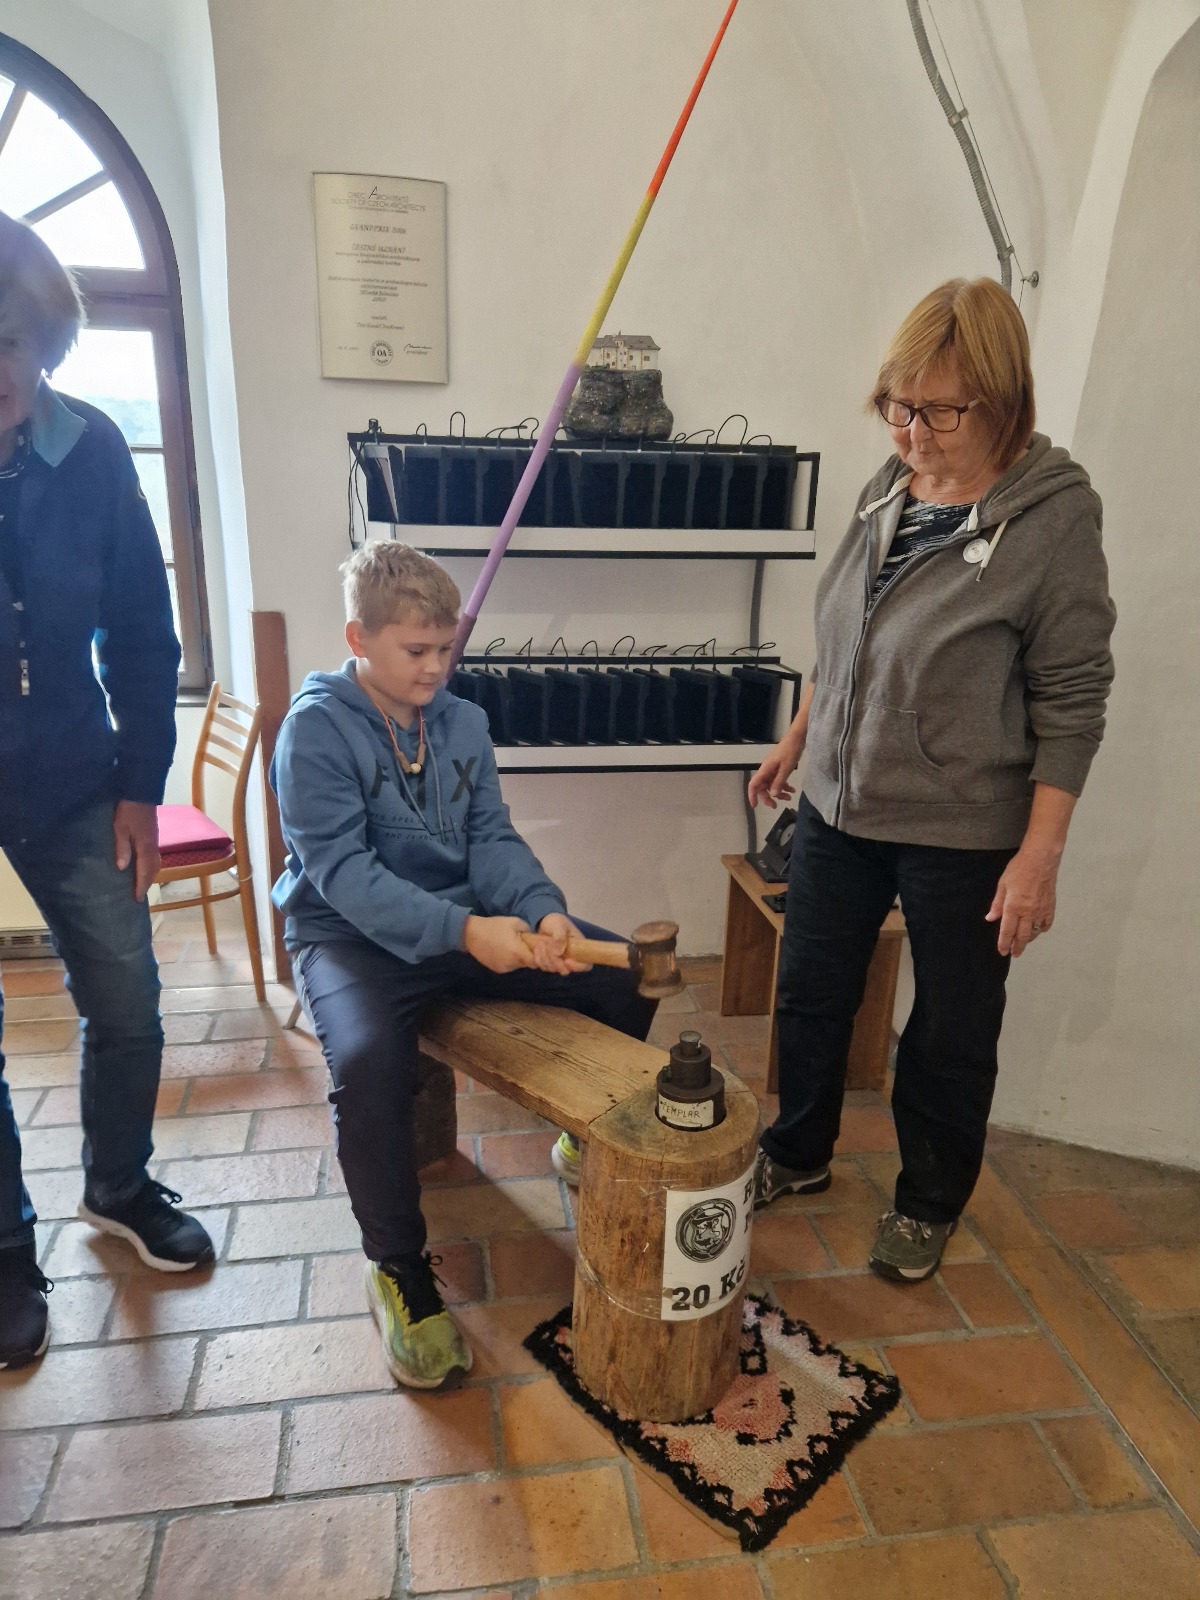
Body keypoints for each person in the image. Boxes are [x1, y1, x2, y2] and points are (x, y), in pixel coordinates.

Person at [748, 278, 1116, 1282]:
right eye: (896, 405)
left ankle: (927, 1200)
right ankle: (798, 1149)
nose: (911, 431)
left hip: (963, 825)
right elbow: (849, 633)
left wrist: (1039, 857)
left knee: (950, 1027)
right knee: (812, 991)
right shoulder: (890, 484)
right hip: (840, 800)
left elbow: (1073, 699)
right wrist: (800, 736)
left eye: (939, 411)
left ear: (1002, 400)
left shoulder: (1052, 520)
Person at [271, 541, 657, 1389]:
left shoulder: (463, 723)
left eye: (446, 648)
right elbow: (345, 874)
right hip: (348, 938)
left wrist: (541, 910)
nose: (436, 667)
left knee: (622, 980)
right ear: (358, 638)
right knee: (368, 1065)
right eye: (416, 650)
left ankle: (581, 1138)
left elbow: (491, 839)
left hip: (464, 925)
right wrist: (466, 931)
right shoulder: (314, 731)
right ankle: (397, 1270)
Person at [0, 216, 212, 1370]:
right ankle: (3, 1247)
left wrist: (142, 784)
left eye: (11, 340)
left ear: (46, 342)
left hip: (79, 779)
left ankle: (119, 1185)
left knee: (126, 1000)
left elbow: (140, 630)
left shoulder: (93, 455)